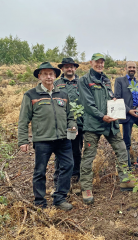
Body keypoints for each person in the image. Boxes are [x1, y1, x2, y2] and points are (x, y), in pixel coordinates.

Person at [78, 53, 138, 204]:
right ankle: (86, 188)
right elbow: (88, 104)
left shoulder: (106, 79)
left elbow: (108, 97)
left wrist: (113, 100)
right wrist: (102, 116)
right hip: (93, 124)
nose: (100, 65)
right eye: (97, 62)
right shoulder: (84, 80)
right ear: (91, 62)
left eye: (102, 63)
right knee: (89, 156)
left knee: (122, 150)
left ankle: (126, 180)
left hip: (110, 123)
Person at [18, 62, 76, 211]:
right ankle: (40, 202)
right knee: (40, 171)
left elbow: (70, 115)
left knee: (68, 165)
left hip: (63, 139)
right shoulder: (31, 95)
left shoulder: (63, 95)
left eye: (51, 74)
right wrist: (23, 140)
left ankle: (60, 198)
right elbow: (24, 119)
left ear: (55, 76)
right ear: (40, 76)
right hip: (43, 140)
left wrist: (72, 125)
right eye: (45, 74)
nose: (48, 76)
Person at [53, 58, 83, 188]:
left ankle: (76, 173)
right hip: (61, 123)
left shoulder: (82, 83)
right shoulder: (57, 84)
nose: (69, 69)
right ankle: (59, 176)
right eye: (66, 67)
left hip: (79, 123)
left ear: (75, 68)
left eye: (71, 67)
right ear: (62, 69)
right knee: (60, 151)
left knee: (76, 150)